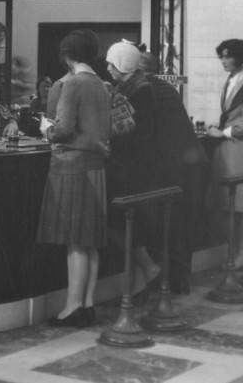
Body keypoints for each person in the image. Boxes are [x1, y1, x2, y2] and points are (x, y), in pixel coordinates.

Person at [37, 30, 110, 327]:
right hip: (96, 166)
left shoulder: (71, 84)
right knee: (89, 241)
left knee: (74, 241)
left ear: (67, 55)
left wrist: (46, 129)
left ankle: (72, 307)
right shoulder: (102, 85)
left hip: (71, 165)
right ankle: (88, 303)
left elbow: (63, 129)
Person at [137, 51, 209, 294]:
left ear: (138, 69)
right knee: (179, 225)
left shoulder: (148, 90)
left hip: (173, 167)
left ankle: (169, 282)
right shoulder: (166, 89)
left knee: (168, 224)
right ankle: (177, 281)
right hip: (188, 163)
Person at [105, 40, 164, 297]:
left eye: (111, 63)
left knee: (123, 221)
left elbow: (132, 131)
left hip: (129, 167)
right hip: (134, 165)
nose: (107, 67)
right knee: (128, 221)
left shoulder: (137, 91)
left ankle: (147, 269)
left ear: (121, 64)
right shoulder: (136, 86)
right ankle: (141, 277)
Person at [206, 38, 243, 269]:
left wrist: (224, 132)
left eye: (228, 56)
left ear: (239, 57)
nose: (223, 61)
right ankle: (232, 252)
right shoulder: (231, 80)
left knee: (241, 204)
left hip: (239, 146)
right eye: (222, 56)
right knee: (223, 203)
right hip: (225, 146)